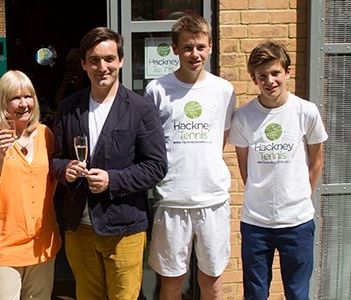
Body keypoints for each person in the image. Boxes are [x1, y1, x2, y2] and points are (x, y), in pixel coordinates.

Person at [50, 27, 168, 300]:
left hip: (123, 227)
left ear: (121, 61)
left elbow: (156, 166)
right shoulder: (69, 108)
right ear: (83, 63)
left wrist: (112, 180)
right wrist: (64, 170)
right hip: (79, 227)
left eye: (109, 59)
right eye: (94, 60)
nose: (102, 67)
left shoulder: (140, 108)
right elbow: (55, 159)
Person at [143, 14, 236, 299]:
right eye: (187, 47)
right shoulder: (157, 90)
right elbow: (152, 144)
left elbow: (220, 140)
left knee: (213, 283)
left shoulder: (223, 90)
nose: (194, 54)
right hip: (172, 200)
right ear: (174, 48)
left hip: (212, 200)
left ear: (209, 47)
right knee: (171, 283)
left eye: (200, 47)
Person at [229, 42, 327, 299]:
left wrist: (301, 195)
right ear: (253, 79)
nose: (269, 81)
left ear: (287, 72)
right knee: (255, 294)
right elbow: (244, 166)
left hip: (297, 222)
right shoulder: (243, 117)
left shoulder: (306, 112)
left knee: (297, 293)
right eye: (262, 76)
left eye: (275, 73)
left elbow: (316, 161)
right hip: (256, 223)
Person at [0, 70, 61, 299]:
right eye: (15, 98)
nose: (23, 104)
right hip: (4, 245)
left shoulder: (45, 134)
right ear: (3, 102)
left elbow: (51, 184)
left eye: (28, 96)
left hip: (42, 243)